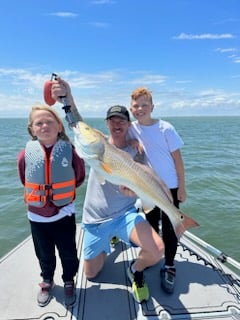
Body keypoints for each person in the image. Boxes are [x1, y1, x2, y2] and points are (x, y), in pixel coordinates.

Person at [49, 77, 165, 304]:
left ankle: (136, 268)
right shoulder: (98, 142)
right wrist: (68, 97)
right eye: (112, 120)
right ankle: (108, 242)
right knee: (91, 273)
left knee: (157, 251)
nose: (117, 124)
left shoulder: (137, 151)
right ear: (106, 124)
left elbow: (147, 181)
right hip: (95, 219)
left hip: (125, 215)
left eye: (122, 120)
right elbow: (76, 122)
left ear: (129, 124)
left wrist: (137, 193)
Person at [17, 104, 85, 307]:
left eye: (49, 121)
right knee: (43, 252)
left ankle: (68, 279)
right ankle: (47, 279)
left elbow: (79, 177)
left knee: (68, 251)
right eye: (39, 123)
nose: (44, 125)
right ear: (32, 129)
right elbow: (24, 178)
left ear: (59, 127)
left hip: (63, 213)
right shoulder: (24, 155)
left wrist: (61, 195)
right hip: (37, 216)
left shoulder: (71, 152)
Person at [128, 87, 187, 294]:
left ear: (152, 107)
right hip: (146, 188)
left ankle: (169, 264)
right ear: (131, 108)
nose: (141, 108)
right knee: (151, 225)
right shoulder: (130, 128)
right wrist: (133, 141)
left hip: (170, 186)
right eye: (137, 105)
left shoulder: (165, 128)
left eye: (145, 105)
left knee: (171, 228)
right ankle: (153, 255)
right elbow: (120, 141)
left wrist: (181, 187)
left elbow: (178, 160)